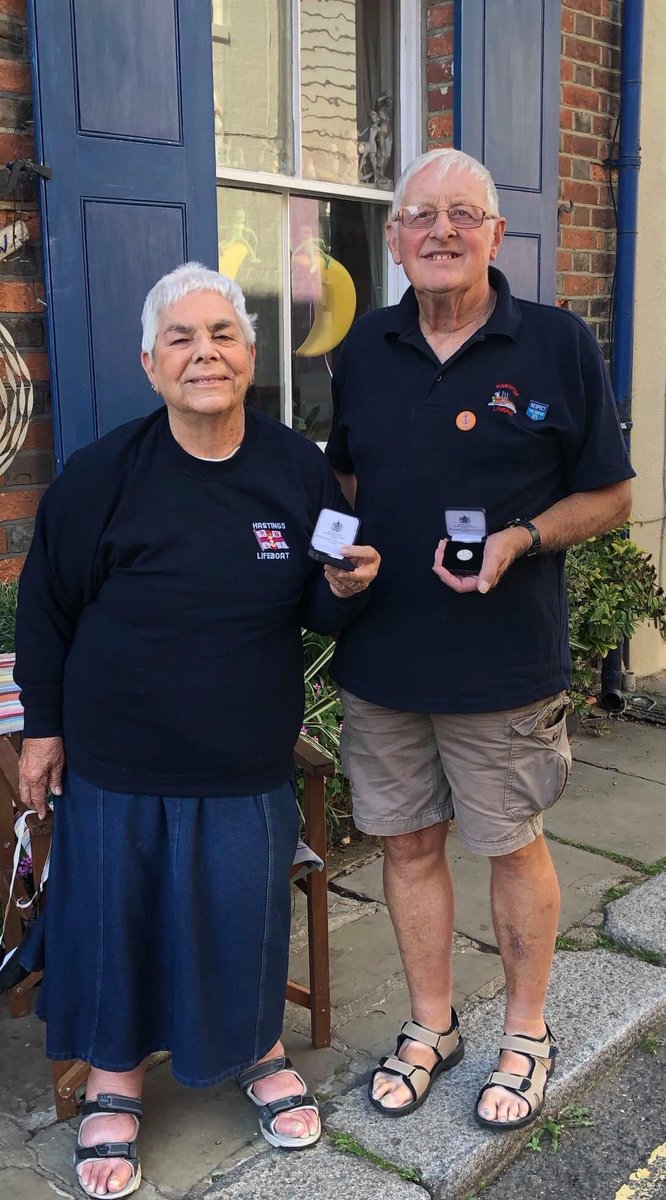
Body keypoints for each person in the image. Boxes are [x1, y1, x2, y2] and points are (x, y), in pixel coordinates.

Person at [14, 262, 380, 1198]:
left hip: (244, 755)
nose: (203, 353)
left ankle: (257, 1051)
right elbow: (47, 612)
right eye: (181, 338)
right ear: (149, 363)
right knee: (113, 923)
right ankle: (114, 1082)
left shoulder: (297, 471)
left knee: (240, 915)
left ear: (249, 356)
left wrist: (342, 588)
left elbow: (319, 603)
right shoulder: (102, 476)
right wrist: (44, 732)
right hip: (117, 758)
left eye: (221, 334)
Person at [325, 148, 633, 1131]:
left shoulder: (554, 345)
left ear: (497, 235)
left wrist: (523, 537)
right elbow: (347, 486)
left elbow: (614, 495)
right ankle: (431, 1026)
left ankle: (528, 1034)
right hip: (384, 655)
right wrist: (337, 559)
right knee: (408, 842)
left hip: (502, 661)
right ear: (395, 238)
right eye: (422, 216)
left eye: (465, 214)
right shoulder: (364, 350)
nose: (442, 232)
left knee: (509, 843)